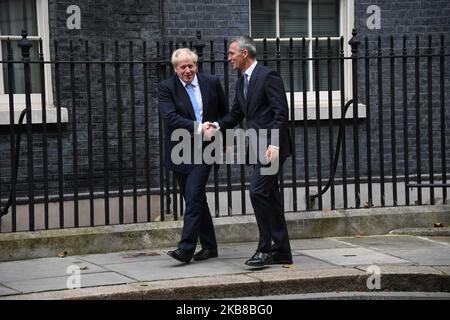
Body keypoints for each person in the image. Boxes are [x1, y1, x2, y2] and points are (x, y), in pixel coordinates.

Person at [207, 36, 293, 267]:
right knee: (270, 197)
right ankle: (282, 250)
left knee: (257, 192)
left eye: (231, 53)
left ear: (245, 53)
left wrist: (274, 144)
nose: (228, 58)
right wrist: (215, 126)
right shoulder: (241, 82)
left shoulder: (268, 76)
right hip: (256, 147)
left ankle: (265, 249)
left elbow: (281, 113)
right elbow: (236, 114)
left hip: (271, 148)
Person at [158, 48, 227, 263]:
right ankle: (209, 247)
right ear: (175, 69)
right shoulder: (166, 88)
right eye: (182, 67)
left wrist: (223, 139)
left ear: (196, 65)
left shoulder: (211, 82)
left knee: (194, 194)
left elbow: (224, 113)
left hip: (207, 148)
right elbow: (169, 117)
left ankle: (185, 248)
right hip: (180, 150)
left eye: (191, 66)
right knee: (194, 198)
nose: (187, 70)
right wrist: (198, 127)